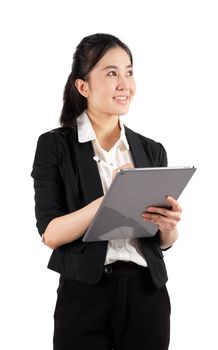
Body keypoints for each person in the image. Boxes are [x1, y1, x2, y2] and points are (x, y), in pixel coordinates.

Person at [31, 33, 182, 350]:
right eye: (111, 73)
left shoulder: (151, 150)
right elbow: (51, 234)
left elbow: (159, 241)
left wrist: (169, 229)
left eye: (129, 71)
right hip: (85, 294)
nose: (124, 83)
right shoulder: (55, 146)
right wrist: (108, 198)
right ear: (83, 86)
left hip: (147, 294)